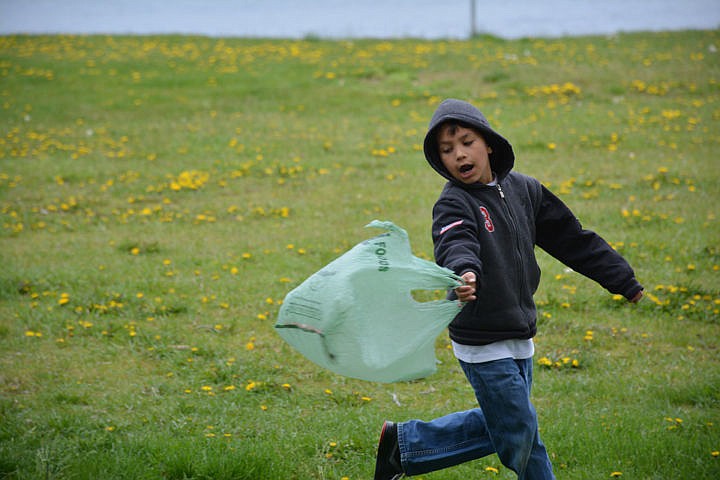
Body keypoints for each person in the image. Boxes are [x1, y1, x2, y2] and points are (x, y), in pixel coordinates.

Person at [373, 98, 644, 480]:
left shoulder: (525, 191)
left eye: (466, 142)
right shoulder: (453, 202)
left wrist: (621, 278)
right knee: (522, 437)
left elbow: (572, 239)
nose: (459, 155)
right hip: (481, 340)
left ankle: (406, 445)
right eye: (447, 150)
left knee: (509, 423)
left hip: (519, 332)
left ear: (489, 143)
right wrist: (464, 273)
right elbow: (456, 243)